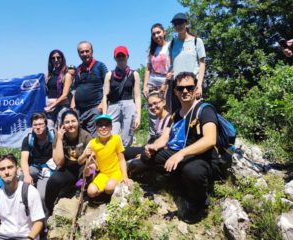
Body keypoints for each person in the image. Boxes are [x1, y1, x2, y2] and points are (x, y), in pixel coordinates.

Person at [141, 72, 221, 224]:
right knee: (148, 157)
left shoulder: (205, 110)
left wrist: (181, 154)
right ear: (176, 91)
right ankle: (179, 183)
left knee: (192, 171)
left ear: (195, 88)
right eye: (181, 88)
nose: (185, 91)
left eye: (189, 87)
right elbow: (165, 137)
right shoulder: (176, 115)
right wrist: (153, 147)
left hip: (202, 157)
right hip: (182, 154)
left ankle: (200, 201)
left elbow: (210, 140)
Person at [0, 154, 45, 240]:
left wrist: (30, 238)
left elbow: (39, 221)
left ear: (17, 169)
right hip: (1, 235)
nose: (6, 172)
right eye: (2, 169)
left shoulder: (30, 191)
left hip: (26, 236)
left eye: (10, 167)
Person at [45, 109, 91, 214]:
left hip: (82, 167)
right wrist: (60, 140)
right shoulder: (59, 136)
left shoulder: (86, 136)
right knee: (53, 181)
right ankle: (49, 210)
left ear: (78, 122)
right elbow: (58, 162)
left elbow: (91, 160)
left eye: (73, 121)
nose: (70, 124)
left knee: (86, 173)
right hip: (67, 169)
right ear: (62, 125)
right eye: (67, 122)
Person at [80, 114, 131, 202]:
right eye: (100, 125)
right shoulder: (93, 143)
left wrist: (125, 176)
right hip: (103, 174)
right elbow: (84, 161)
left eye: (106, 124)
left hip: (116, 172)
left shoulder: (116, 139)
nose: (103, 127)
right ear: (96, 127)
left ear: (111, 127)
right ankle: (104, 196)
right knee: (91, 191)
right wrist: (88, 166)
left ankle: (107, 195)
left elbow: (122, 159)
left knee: (109, 187)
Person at [102, 46, 141, 146]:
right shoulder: (109, 75)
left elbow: (137, 96)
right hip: (113, 107)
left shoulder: (134, 74)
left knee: (127, 136)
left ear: (127, 56)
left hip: (129, 105)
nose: (120, 58)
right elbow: (105, 97)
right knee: (111, 135)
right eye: (118, 56)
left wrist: (138, 116)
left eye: (122, 56)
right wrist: (104, 115)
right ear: (115, 58)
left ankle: (125, 158)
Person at [168, 13, 206, 112]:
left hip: (192, 85)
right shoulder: (172, 44)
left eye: (180, 23)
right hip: (178, 87)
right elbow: (172, 65)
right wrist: (170, 74)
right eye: (175, 24)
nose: (178, 26)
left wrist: (199, 85)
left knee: (196, 115)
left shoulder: (197, 41)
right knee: (178, 116)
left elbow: (202, 63)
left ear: (186, 24)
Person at [71, 41, 108, 135]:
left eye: (87, 51)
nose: (84, 54)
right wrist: (72, 105)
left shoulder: (100, 66)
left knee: (94, 138)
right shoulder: (78, 69)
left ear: (92, 51)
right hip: (79, 110)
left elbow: (108, 86)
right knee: (81, 137)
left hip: (94, 108)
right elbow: (75, 89)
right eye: (81, 52)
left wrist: (101, 105)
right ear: (78, 53)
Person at [143, 23, 172, 139]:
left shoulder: (171, 46)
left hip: (167, 81)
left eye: (158, 32)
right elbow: (148, 69)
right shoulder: (152, 50)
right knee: (153, 110)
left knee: (166, 109)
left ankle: (166, 136)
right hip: (153, 82)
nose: (156, 35)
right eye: (154, 34)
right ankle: (154, 136)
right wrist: (145, 85)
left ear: (164, 32)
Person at [20, 113, 54, 205]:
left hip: (49, 169)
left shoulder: (54, 137)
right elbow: (23, 159)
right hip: (34, 168)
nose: (38, 127)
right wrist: (27, 175)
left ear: (46, 125)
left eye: (40, 124)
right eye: (35, 125)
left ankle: (45, 214)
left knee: (41, 196)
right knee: (22, 176)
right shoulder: (28, 139)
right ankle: (24, 204)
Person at [44, 50, 73, 128]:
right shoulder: (48, 75)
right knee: (49, 130)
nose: (56, 60)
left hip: (62, 107)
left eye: (58, 57)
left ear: (62, 59)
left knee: (61, 130)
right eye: (53, 58)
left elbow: (64, 96)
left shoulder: (67, 75)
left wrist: (51, 106)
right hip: (50, 109)